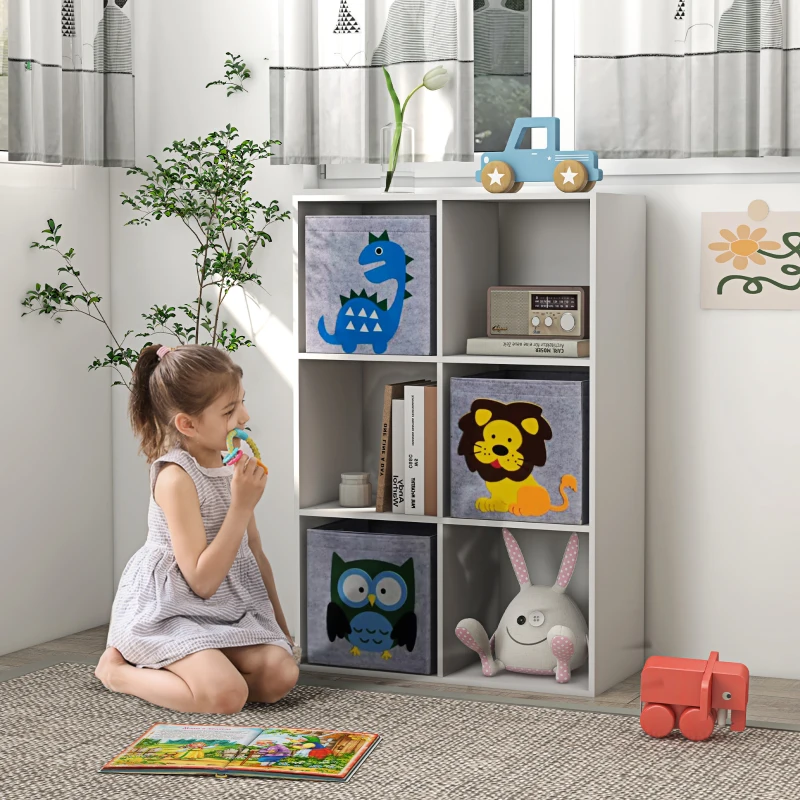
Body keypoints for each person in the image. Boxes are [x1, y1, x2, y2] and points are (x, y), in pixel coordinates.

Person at [95, 344, 299, 713]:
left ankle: (207, 666)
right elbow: (201, 583)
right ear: (187, 424)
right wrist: (241, 505)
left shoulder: (235, 462)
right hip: (173, 611)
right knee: (227, 697)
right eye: (229, 410)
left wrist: (281, 630)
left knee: (280, 675)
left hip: (228, 608)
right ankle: (116, 672)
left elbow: (254, 550)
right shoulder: (175, 478)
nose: (244, 416)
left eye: (242, 402)